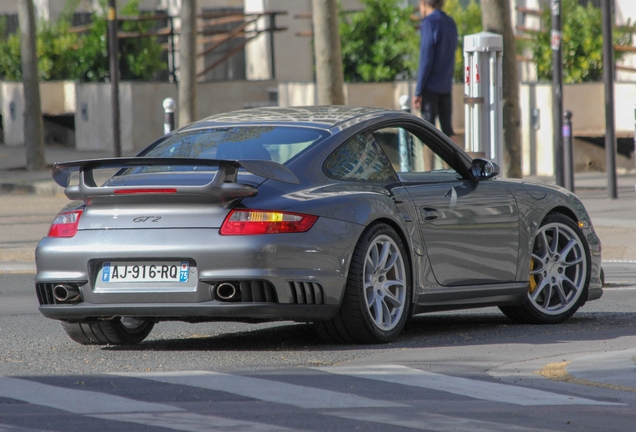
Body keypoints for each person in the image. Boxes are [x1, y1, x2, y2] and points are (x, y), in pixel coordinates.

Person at [413, 0, 458, 139]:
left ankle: (428, 162)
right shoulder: (451, 22)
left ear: (424, 3)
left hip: (430, 88)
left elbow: (426, 58)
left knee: (428, 135)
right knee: (448, 133)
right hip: (446, 86)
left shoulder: (429, 23)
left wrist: (418, 91)